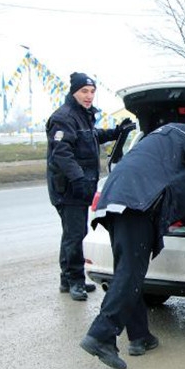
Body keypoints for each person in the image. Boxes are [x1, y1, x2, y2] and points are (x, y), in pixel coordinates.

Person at [80, 123, 185, 369]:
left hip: (115, 198)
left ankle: (140, 336)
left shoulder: (160, 141)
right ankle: (100, 335)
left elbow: (180, 200)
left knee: (128, 271)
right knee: (130, 273)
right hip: (137, 203)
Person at [46, 72, 131, 301]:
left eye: (92, 91)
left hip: (79, 185)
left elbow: (92, 137)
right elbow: (62, 153)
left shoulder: (83, 116)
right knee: (75, 234)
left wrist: (116, 132)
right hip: (67, 188)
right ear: (74, 92)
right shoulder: (63, 118)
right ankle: (75, 280)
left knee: (72, 233)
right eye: (84, 91)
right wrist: (78, 179)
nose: (89, 96)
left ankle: (67, 279)